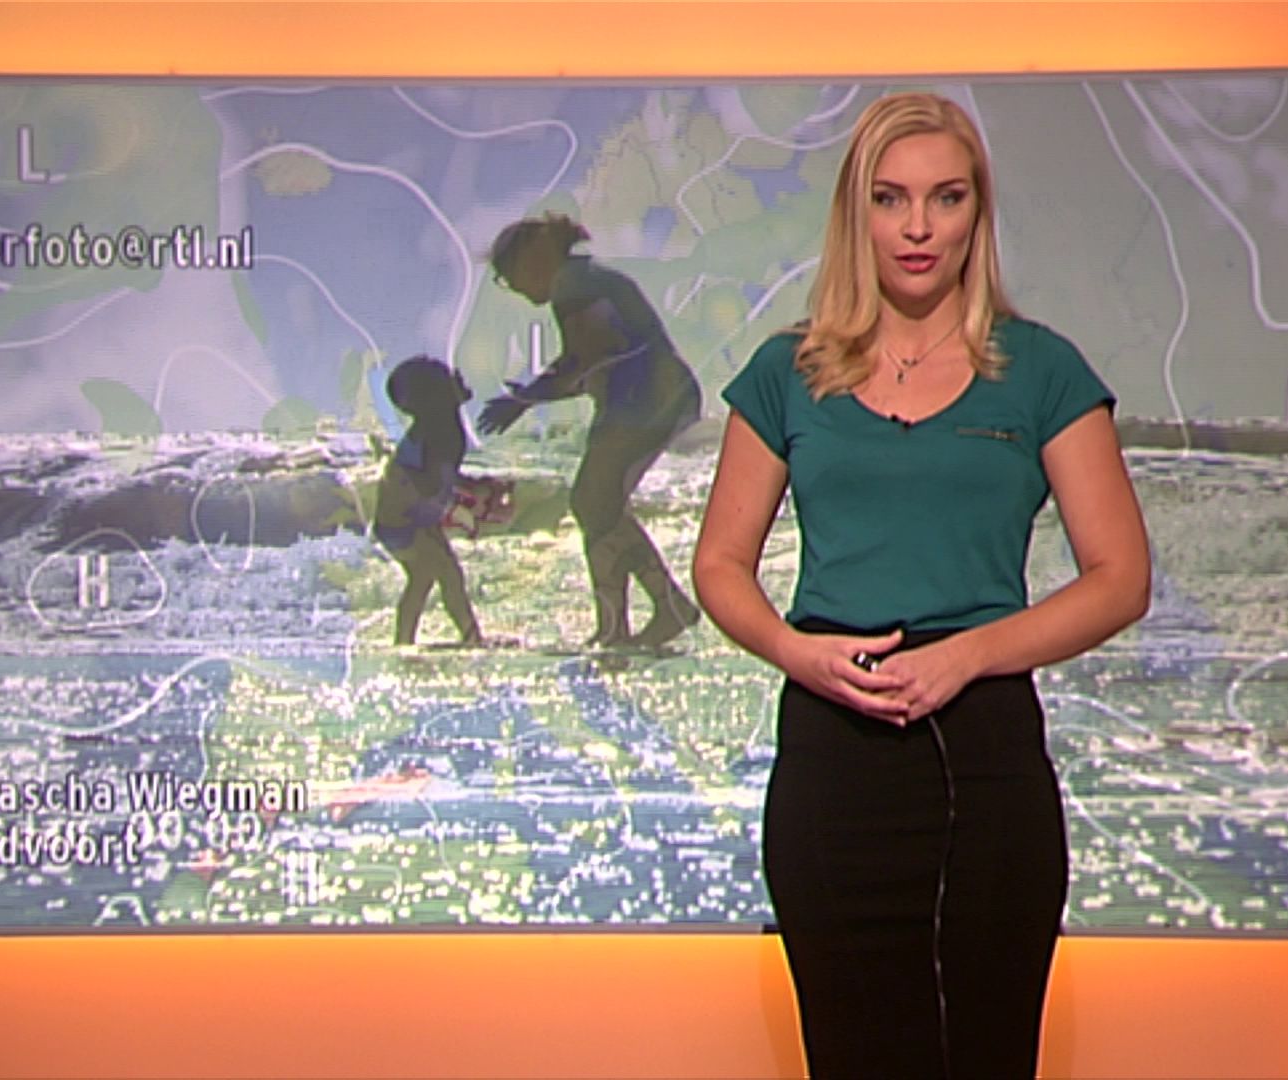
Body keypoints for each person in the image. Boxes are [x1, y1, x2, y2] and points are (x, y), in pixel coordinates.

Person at [691, 93, 1150, 1078]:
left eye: (946, 198)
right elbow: (720, 564)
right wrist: (795, 652)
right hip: (833, 751)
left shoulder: (1041, 372)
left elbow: (1119, 579)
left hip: (982, 756)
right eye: (891, 198)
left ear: (977, 211)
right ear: (856, 213)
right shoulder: (786, 374)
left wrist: (967, 657)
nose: (917, 227)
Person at [479, 213, 703, 648]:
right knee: (596, 504)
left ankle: (660, 608)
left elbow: (590, 357)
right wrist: (531, 395)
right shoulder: (582, 280)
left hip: (647, 398)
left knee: (594, 501)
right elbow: (585, 361)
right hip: (642, 398)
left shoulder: (575, 286)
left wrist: (526, 399)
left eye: (509, 276)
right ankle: (623, 622)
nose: (515, 288)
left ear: (532, 260)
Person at [372, 355, 483, 647]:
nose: (458, 377)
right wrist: (459, 499)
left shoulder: (442, 424)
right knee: (448, 573)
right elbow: (430, 480)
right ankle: (471, 638)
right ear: (433, 399)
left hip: (409, 519)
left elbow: (442, 474)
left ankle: (403, 641)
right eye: (447, 379)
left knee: (423, 579)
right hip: (405, 521)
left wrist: (464, 486)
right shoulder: (437, 431)